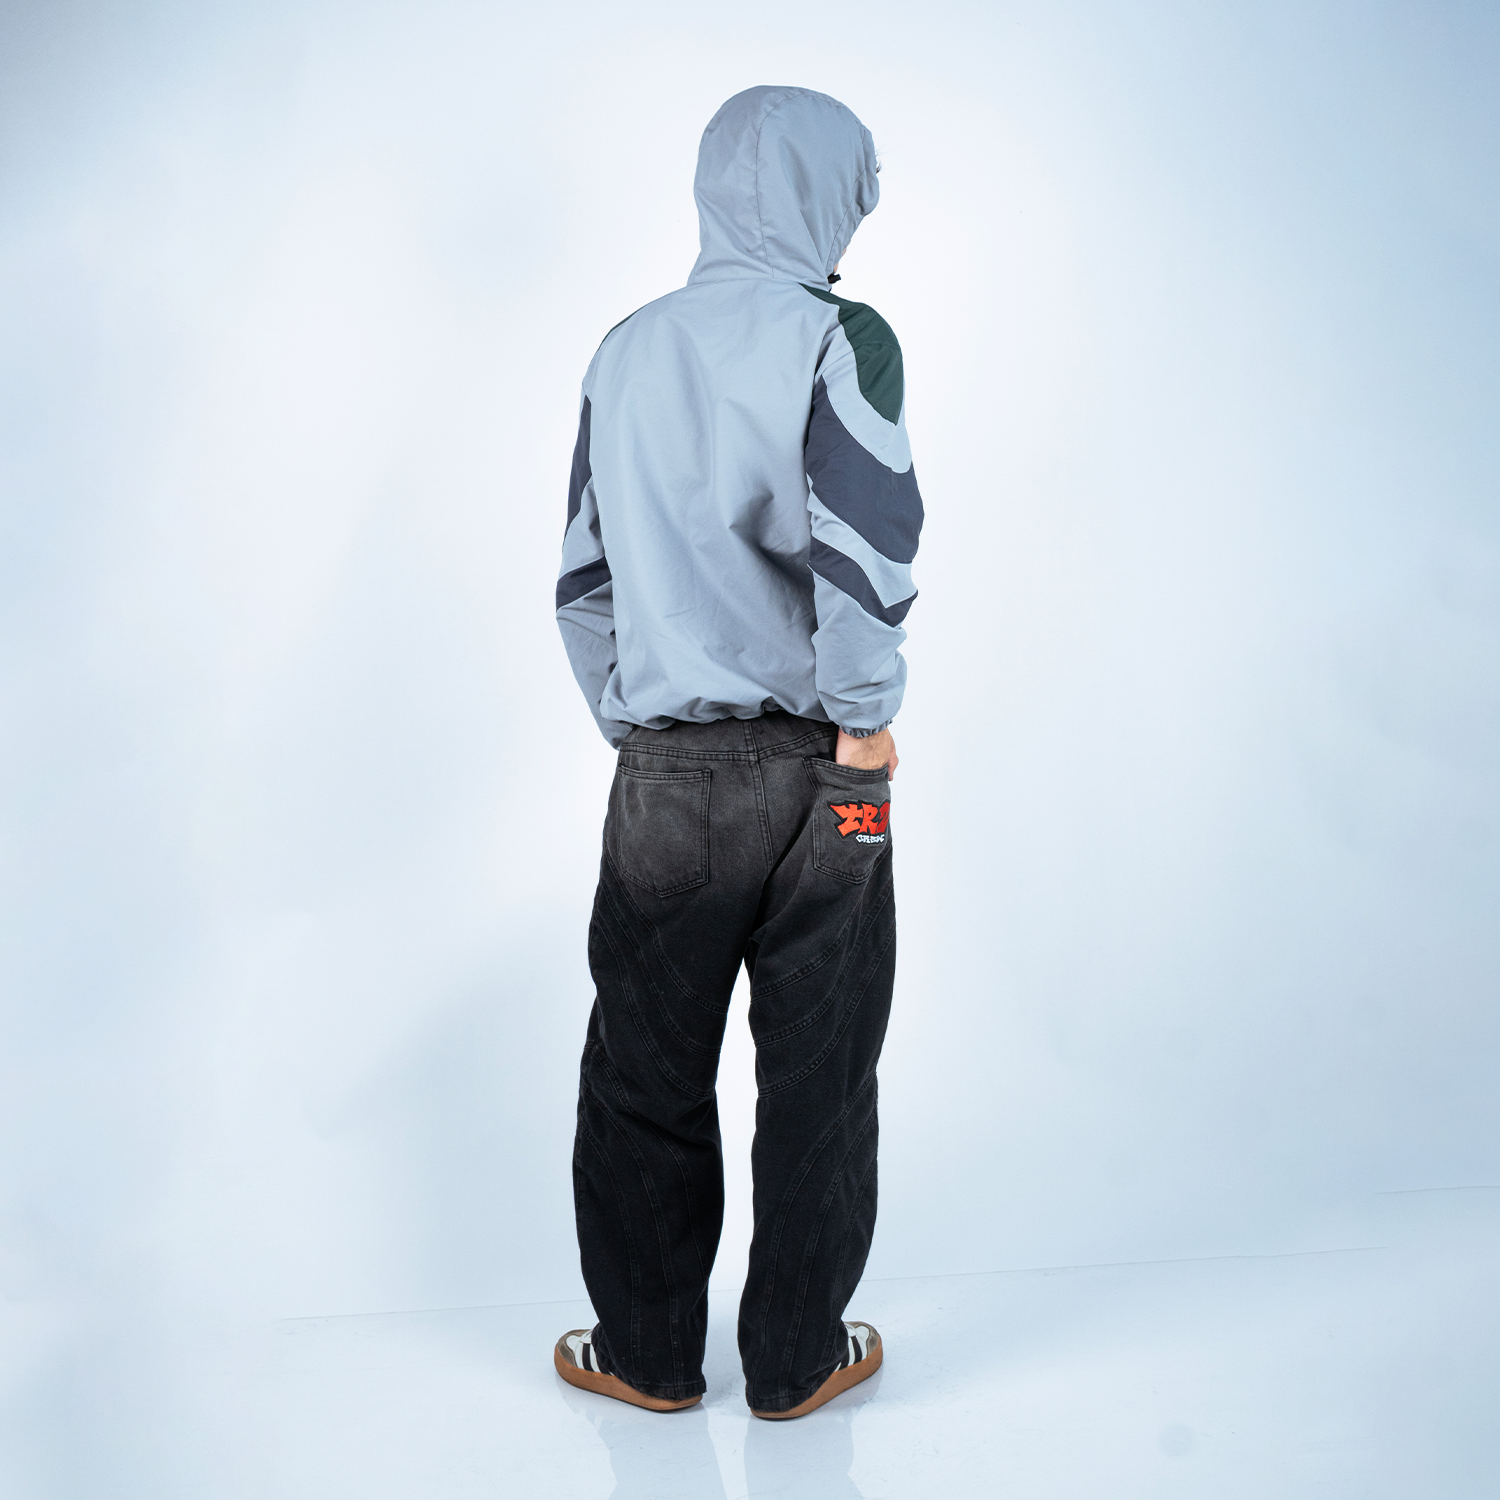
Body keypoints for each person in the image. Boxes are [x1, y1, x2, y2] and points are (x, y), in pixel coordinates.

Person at [551, 85, 922, 1421]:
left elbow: (584, 578)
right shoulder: (842, 337)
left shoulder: (625, 350)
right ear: (830, 194)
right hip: (832, 770)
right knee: (821, 1067)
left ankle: (646, 1357)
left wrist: (640, 722)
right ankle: (796, 1360)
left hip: (662, 776)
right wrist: (862, 730)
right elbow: (866, 548)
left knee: (643, 1071)